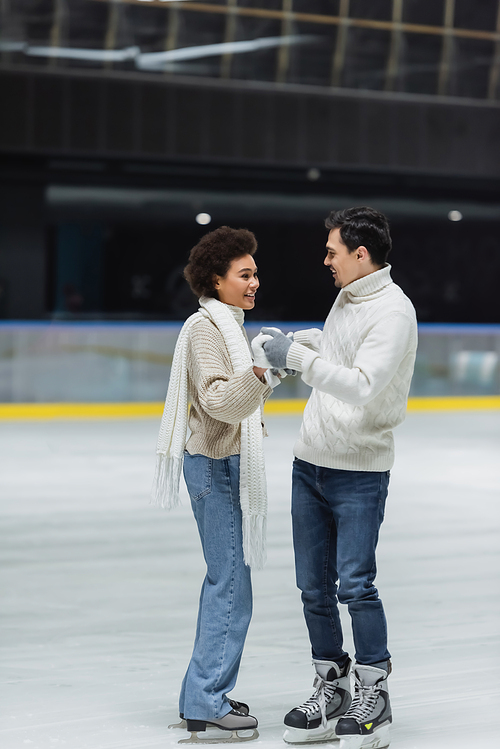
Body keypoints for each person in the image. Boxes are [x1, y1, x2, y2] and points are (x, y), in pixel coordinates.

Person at [252, 207, 417, 749]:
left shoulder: (393, 311)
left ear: (360, 254)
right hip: (311, 462)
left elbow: (363, 383)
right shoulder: (349, 297)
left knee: (356, 585)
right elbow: (337, 348)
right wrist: (298, 342)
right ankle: (332, 686)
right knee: (313, 588)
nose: (326, 259)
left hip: (359, 469)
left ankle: (374, 689)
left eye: (332, 251)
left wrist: (296, 357)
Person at [153, 226, 279, 744]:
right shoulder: (207, 330)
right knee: (229, 585)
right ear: (216, 279)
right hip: (213, 466)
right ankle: (205, 702)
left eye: (254, 273)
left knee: (231, 583)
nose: (254, 282)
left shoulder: (228, 324)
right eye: (244, 274)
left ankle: (205, 695)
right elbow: (221, 402)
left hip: (222, 464)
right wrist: (265, 371)